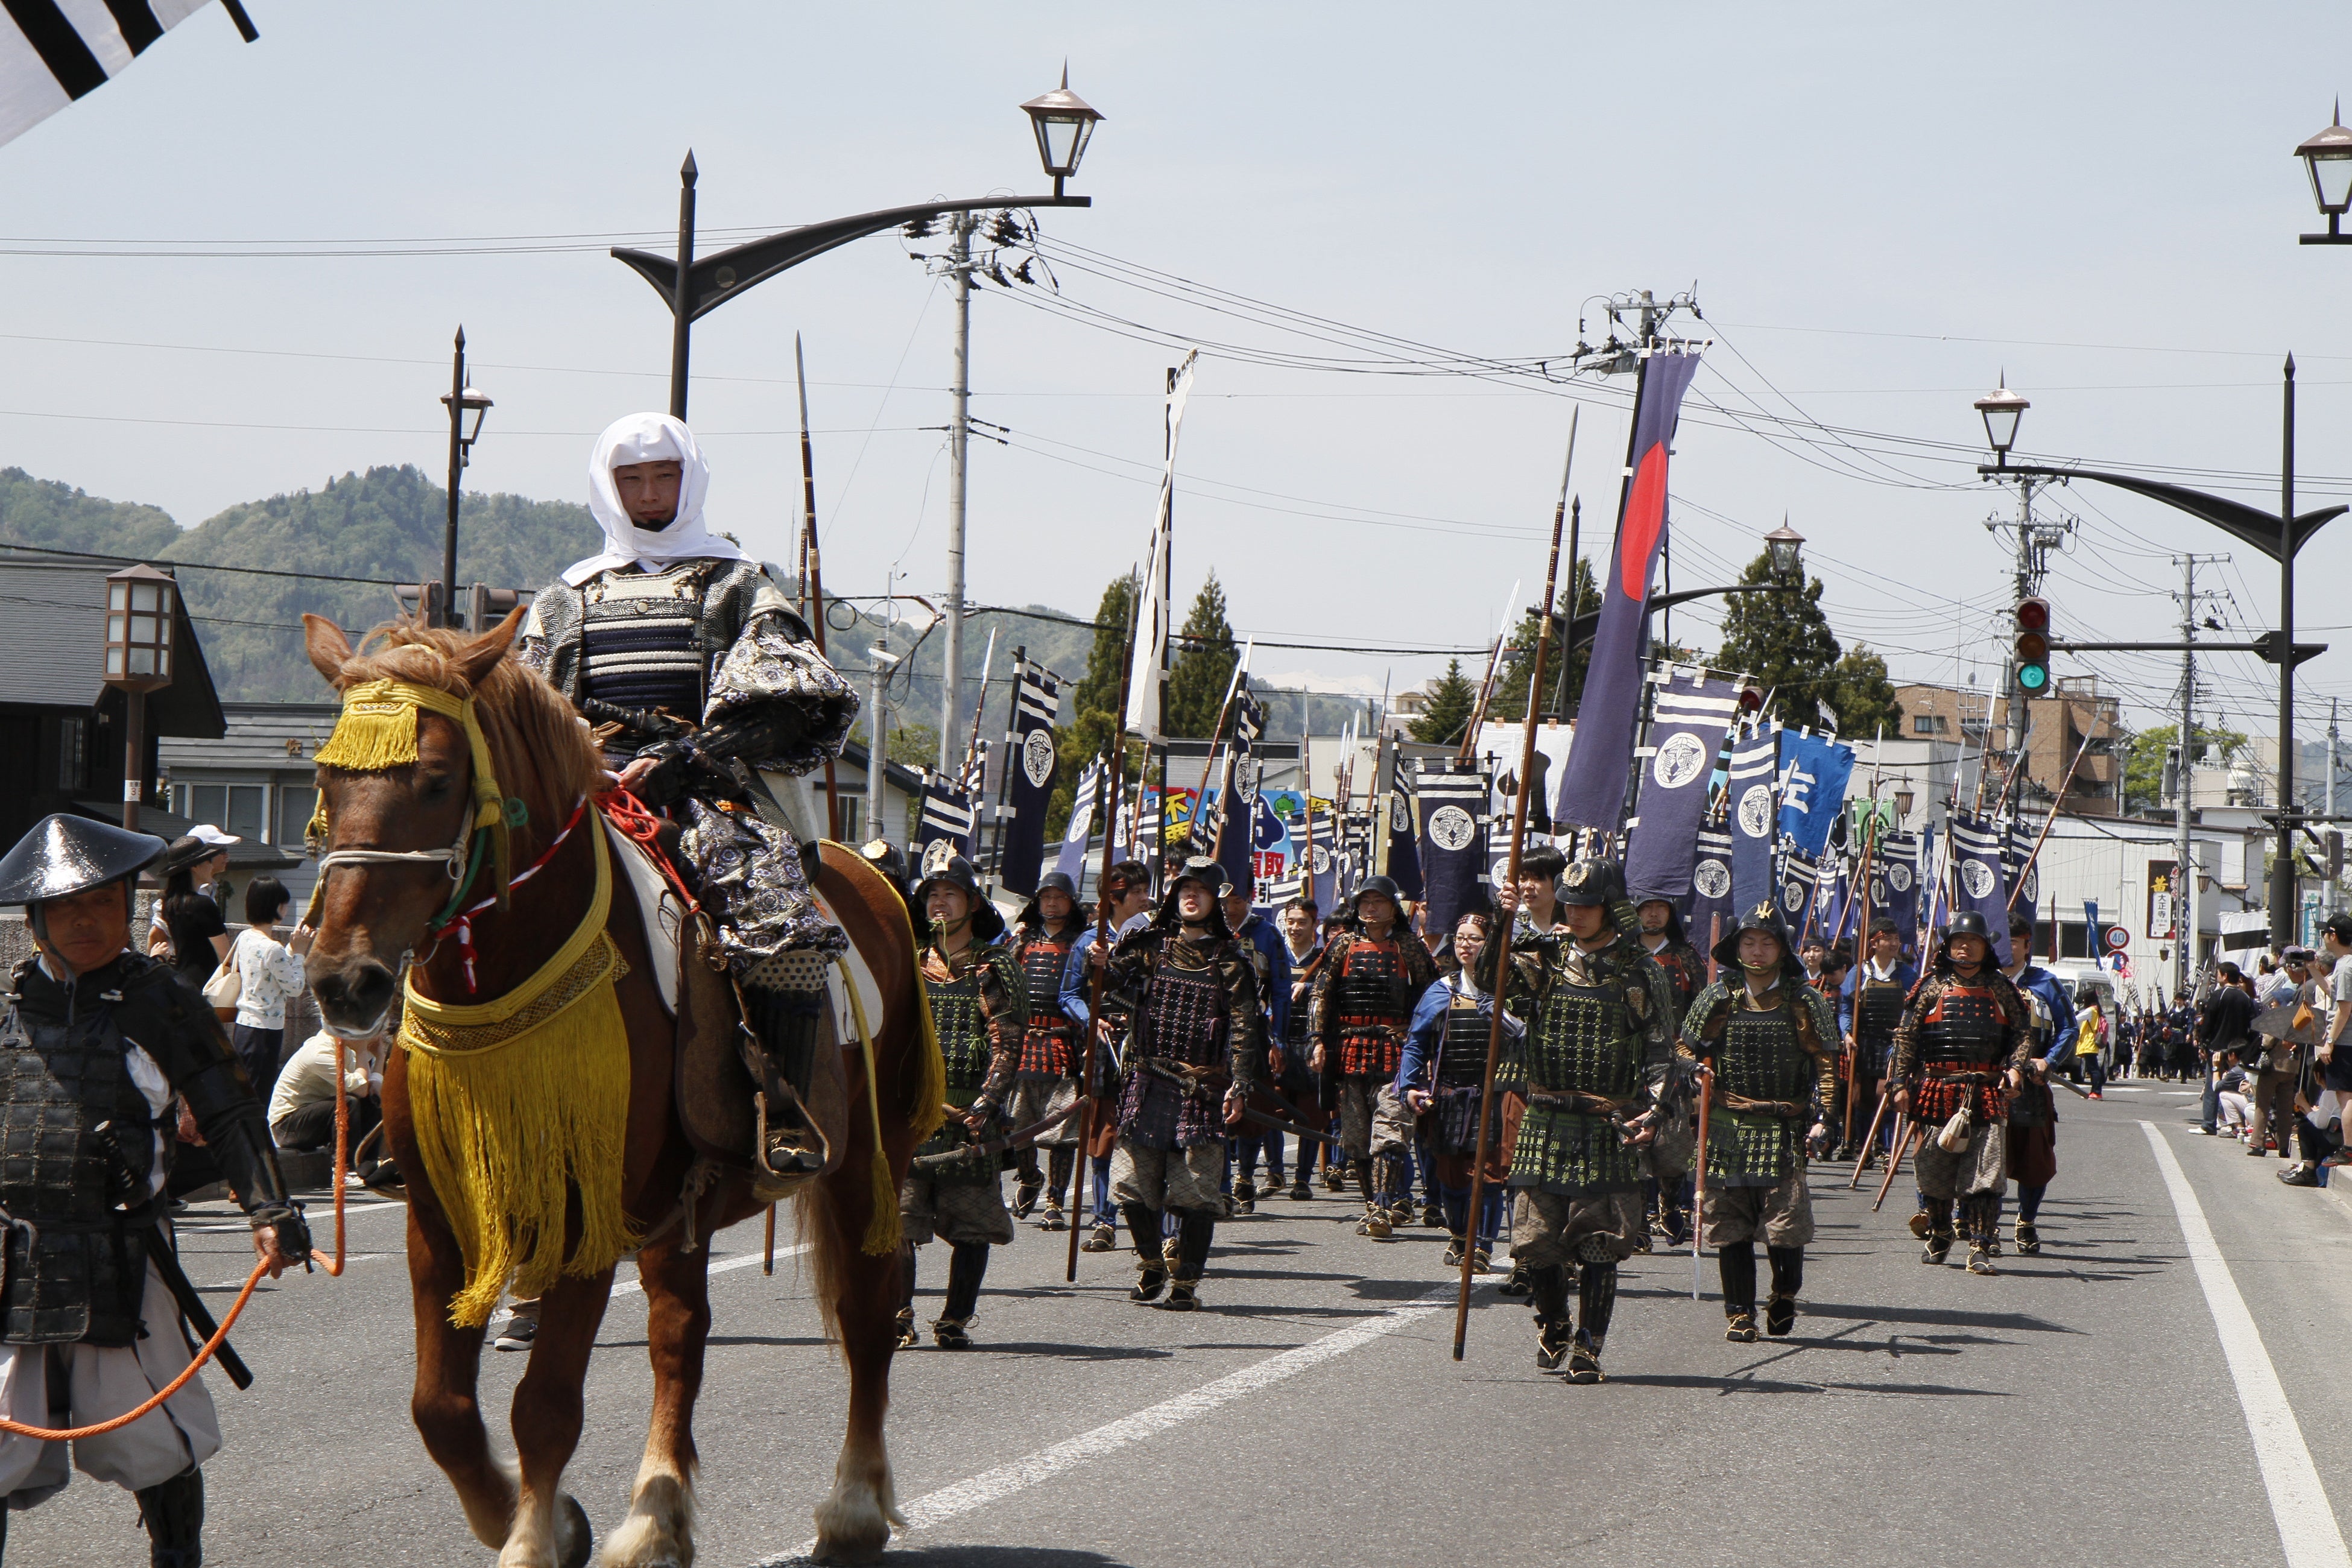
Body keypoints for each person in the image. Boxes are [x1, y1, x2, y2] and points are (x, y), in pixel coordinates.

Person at [520, 411, 859, 1180]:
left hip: (708, 791)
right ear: (608, 486)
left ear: (690, 479)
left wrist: (684, 756)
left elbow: (788, 704)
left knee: (776, 909)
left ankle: (785, 1100)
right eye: (632, 479)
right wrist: (581, 762)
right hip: (584, 785)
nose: (648, 494)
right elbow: (525, 705)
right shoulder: (567, 595)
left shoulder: (738, 583)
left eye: (663, 476)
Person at [0, 813, 309, 1566]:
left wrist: (268, 1206)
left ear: (127, 909)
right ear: (36, 916)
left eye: (103, 902)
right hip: (13, 1259)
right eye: (67, 905)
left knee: (160, 1441)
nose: (86, 919)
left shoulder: (163, 999)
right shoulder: (8, 1007)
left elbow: (230, 1107)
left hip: (126, 1256)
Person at [1479, 859, 1674, 1384]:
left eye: (1588, 905)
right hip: (1545, 1118)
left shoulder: (1640, 971)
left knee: (1598, 1244)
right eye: (1570, 904)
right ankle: (1555, 1320)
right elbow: (1489, 980)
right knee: (1537, 1243)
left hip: (1606, 1122)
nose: (1577, 913)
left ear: (1611, 907)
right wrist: (1501, 921)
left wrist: (1656, 1111)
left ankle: (1589, 1346)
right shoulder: (1544, 958)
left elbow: (1661, 1049)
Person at [1099, 858, 1266, 1311]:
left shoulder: (1231, 961)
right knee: (1131, 1184)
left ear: (1215, 901)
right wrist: (1099, 964)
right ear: (1174, 897)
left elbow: (1244, 1028)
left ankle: (1186, 1283)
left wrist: (1239, 1085)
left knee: (1195, 1194)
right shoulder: (1149, 947)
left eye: (1201, 891)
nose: (1192, 897)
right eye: (1185, 889)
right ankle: (1152, 1263)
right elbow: (1108, 986)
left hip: (1201, 1088)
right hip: (1147, 1082)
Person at [1681, 901, 1838, 1341]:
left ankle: (1784, 1293)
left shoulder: (1804, 999)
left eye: (1766, 943)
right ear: (1737, 948)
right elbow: (1684, 1046)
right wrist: (1693, 1070)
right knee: (1730, 1227)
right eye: (1749, 942)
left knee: (1785, 1227)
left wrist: (1826, 1116)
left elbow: (1825, 1062)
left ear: (1781, 949)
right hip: (1728, 1123)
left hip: (1783, 1126)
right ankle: (1739, 1313)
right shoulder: (1718, 996)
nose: (1757, 951)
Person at [897, 857, 1023, 1349]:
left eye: (950, 893)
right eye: (933, 894)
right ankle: (898, 1316)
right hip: (912, 1113)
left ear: (972, 904)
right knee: (898, 1223)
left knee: (971, 1227)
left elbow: (1006, 1042)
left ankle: (954, 1319)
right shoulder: (908, 962)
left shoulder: (994, 965)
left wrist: (985, 1105)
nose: (940, 902)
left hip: (970, 1115)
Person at [1889, 910, 2031, 1275]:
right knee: (1933, 1172)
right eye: (1958, 941)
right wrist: (1899, 1083)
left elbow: (2022, 1032)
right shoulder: (1930, 986)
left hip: (1986, 1089)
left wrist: (2016, 1069)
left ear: (1986, 947)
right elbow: (1907, 1037)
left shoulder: (2001, 987)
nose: (1965, 947)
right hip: (1938, 1087)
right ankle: (1940, 1232)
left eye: (1973, 941)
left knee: (1985, 1176)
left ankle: (1980, 1245)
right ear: (1948, 945)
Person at [1310, 874, 1440, 1237]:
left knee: (1391, 1130)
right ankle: (1372, 1206)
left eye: (1378, 901)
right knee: (1356, 1136)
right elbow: (1322, 993)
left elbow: (1431, 996)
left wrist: (1424, 1042)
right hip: (1351, 1049)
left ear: (1393, 908)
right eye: (1365, 902)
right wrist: (1317, 1040)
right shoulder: (1342, 945)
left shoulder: (1409, 946)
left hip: (1396, 1047)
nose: (1370, 908)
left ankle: (1384, 1203)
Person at [1400, 908, 1512, 1270]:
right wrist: (1409, 1086)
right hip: (1449, 1094)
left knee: (1489, 1175)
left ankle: (1483, 1245)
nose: (1466, 945)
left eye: (1475, 939)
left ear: (1490, 944)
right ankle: (1460, 1235)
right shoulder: (1441, 990)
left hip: (1494, 1095)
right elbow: (1416, 1043)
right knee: (1450, 1173)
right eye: (1461, 938)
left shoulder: (1508, 989)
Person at [1062, 861, 1155, 1252]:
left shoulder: (1155, 937)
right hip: (1103, 1047)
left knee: (1147, 1135)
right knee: (1104, 1137)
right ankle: (1104, 1221)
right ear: (1115, 898)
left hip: (1147, 1045)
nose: (1145, 897)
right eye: (1137, 892)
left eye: (1146, 890)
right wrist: (1091, 1018)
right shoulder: (1089, 941)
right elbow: (1068, 995)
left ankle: (1153, 1224)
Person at [1005, 871, 1085, 1231]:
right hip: (1025, 1042)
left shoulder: (1082, 942)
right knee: (1019, 1123)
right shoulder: (1023, 942)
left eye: (1059, 897)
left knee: (1061, 1130)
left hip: (1063, 1043)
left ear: (1070, 902)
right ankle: (1029, 1178)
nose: (1052, 904)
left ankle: (1055, 1201)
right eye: (1046, 897)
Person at [1999, 913, 2075, 1257]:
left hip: (2031, 1084)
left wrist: (2049, 1061)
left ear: (2027, 945)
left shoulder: (2045, 983)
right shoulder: (1983, 980)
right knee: (1981, 1157)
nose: (2006, 948)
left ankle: (2026, 1220)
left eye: (2013, 942)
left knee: (2035, 1163)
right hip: (1989, 1082)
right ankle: (1979, 1225)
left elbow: (2068, 1028)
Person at [1633, 896, 1705, 1247]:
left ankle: (1670, 1201)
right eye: (1646, 908)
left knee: (1672, 1137)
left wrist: (1693, 1051)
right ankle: (1639, 1220)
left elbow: (1702, 1008)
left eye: (1660, 908)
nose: (1653, 914)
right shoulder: (1624, 954)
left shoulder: (1686, 956)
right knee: (1635, 1135)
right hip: (1632, 1054)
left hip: (1674, 1055)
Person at [1221, 880, 1292, 1214]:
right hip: (1215, 1033)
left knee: (1253, 1109)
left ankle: (1245, 1177)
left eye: (1236, 900)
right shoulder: (1207, 932)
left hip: (1256, 1032)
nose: (1229, 908)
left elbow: (1281, 989)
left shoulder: (1267, 934)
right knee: (1215, 1111)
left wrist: (1279, 1038)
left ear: (1248, 899)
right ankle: (1221, 1185)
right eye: (1224, 901)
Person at [268, 1028, 394, 1187]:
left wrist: (380, 1056)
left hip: (316, 1118)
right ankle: (342, 1171)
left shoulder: (346, 1048)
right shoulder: (319, 1054)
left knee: (372, 1101)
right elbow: (361, 1089)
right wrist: (362, 1051)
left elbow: (371, 1090)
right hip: (287, 1127)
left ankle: (367, 1166)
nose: (376, 1037)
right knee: (348, 1103)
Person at [224, 874, 312, 1103]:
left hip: (244, 1026)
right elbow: (295, 987)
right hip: (265, 1032)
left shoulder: (245, 937)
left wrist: (291, 948)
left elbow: (270, 972)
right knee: (259, 1097)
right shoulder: (273, 949)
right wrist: (300, 952)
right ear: (276, 907)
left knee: (244, 1093)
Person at [1838, 917, 1917, 1162]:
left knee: (1887, 1094)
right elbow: (1846, 1009)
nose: (1894, 944)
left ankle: (1886, 1148)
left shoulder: (1907, 974)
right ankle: (1864, 1147)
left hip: (1894, 1043)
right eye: (1888, 939)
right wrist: (1847, 1034)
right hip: (1865, 1043)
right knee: (1863, 1099)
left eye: (1897, 939)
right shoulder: (1858, 973)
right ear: (1874, 943)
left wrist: (1908, 1031)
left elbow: (1916, 1009)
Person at [1277, 896, 1325, 1200]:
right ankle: (1274, 1171)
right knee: (1272, 1108)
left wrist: (1308, 987)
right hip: (1280, 1043)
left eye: (1302, 922)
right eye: (1290, 921)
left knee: (1310, 1114)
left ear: (1315, 924)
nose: (1295, 928)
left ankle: (1303, 1178)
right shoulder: (1276, 955)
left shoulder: (1324, 960)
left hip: (1309, 1044)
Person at [2246, 949, 2315, 1159]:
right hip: (2292, 1066)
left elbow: (2268, 1041)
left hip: (2273, 1065)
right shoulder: (2298, 1011)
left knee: (2262, 1104)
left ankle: (2258, 1142)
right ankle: (2284, 1145)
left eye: (2276, 1000)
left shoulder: (2282, 1016)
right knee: (2286, 1108)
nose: (2273, 1002)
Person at [155, 835, 232, 989]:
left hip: (180, 979)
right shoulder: (203, 904)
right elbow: (225, 955)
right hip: (205, 983)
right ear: (195, 866)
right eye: (208, 860)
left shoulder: (170, 904)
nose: (211, 866)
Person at [2198, 964, 2259, 1136]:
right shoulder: (2246, 998)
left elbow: (2208, 1022)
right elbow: (2253, 1025)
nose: (2217, 976)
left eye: (2218, 974)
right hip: (2239, 1049)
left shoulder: (2219, 995)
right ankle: (2237, 1124)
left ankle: (2209, 1124)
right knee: (2236, 1086)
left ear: (2225, 976)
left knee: (2213, 1086)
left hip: (2217, 1048)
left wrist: (2203, 1043)